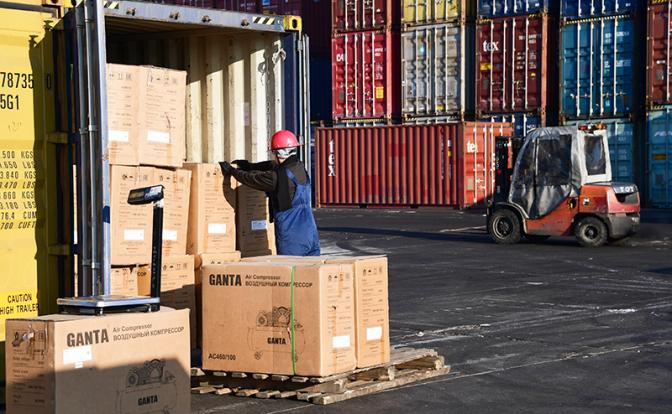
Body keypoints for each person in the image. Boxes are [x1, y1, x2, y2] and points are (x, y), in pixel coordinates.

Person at [220, 130, 320, 256]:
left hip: (293, 237)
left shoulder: (276, 177)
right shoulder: (299, 167)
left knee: (291, 268)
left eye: (274, 153)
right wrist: (250, 166)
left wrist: (232, 171)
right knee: (312, 268)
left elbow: (251, 179)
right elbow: (272, 165)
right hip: (310, 232)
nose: (273, 156)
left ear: (279, 153)